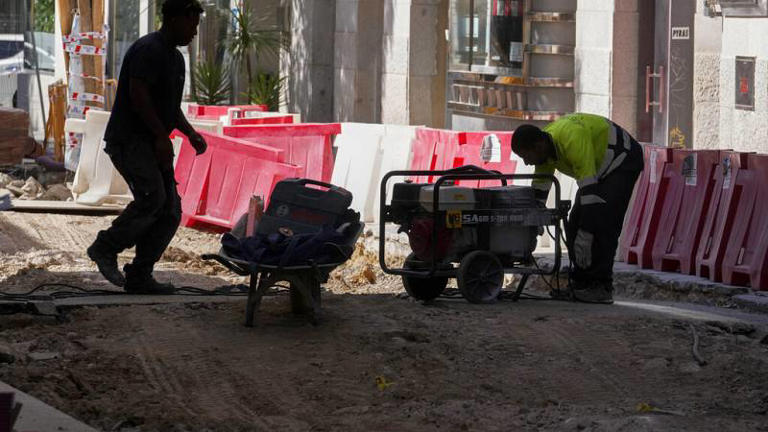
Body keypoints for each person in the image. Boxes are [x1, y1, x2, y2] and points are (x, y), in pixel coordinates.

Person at [87, 0, 207, 294]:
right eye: (192, 25)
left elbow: (169, 108)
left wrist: (190, 133)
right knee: (152, 198)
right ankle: (105, 248)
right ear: (176, 19)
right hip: (129, 140)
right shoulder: (148, 50)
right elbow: (138, 97)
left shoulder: (176, 60)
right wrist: (160, 137)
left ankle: (140, 275)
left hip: (153, 143)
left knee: (170, 211)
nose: (194, 32)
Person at [510, 113, 644, 304]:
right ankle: (581, 285)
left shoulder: (572, 139)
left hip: (623, 160)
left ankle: (601, 287)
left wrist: (586, 232)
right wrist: (534, 222)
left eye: (526, 156)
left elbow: (590, 195)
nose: (526, 162)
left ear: (538, 146)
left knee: (603, 223)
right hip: (600, 169)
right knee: (574, 224)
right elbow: (539, 194)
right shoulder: (544, 152)